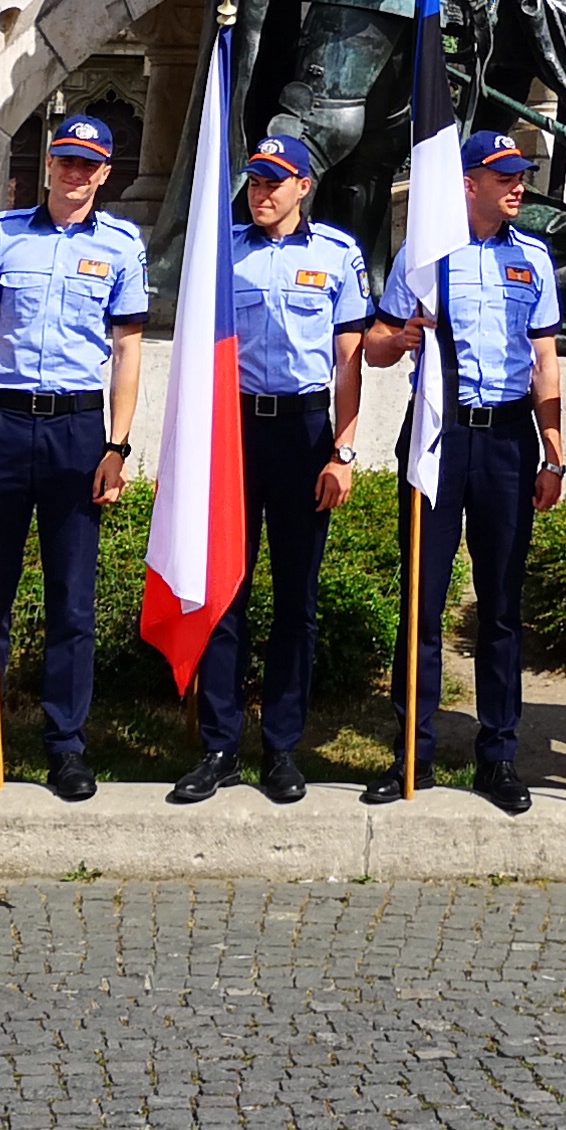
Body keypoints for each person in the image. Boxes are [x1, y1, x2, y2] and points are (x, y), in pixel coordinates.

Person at [0, 116, 149, 803]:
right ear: (49, 165)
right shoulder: (1, 237)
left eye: (88, 165)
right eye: (66, 162)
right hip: (7, 421)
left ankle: (66, 747)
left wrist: (117, 444)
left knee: (72, 599)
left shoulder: (123, 246)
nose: (75, 174)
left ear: (106, 173)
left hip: (78, 428)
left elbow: (128, 348)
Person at [358, 129, 564, 816]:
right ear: (467, 183)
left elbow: (544, 362)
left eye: (522, 176)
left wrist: (554, 451)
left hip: (507, 441)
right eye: (504, 176)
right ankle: (412, 752)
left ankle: (498, 754)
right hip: (438, 437)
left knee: (501, 606)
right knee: (423, 599)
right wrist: (402, 337)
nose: (518, 187)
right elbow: (379, 350)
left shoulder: (533, 258)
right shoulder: (424, 259)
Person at [170, 131, 373, 806]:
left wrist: (342, 451)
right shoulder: (222, 251)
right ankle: (221, 746)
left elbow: (348, 361)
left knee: (296, 599)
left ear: (303, 187)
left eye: (275, 182)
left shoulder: (339, 254)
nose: (262, 193)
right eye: (256, 181)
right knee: (226, 591)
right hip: (234, 432)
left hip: (304, 433)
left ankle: (282, 746)